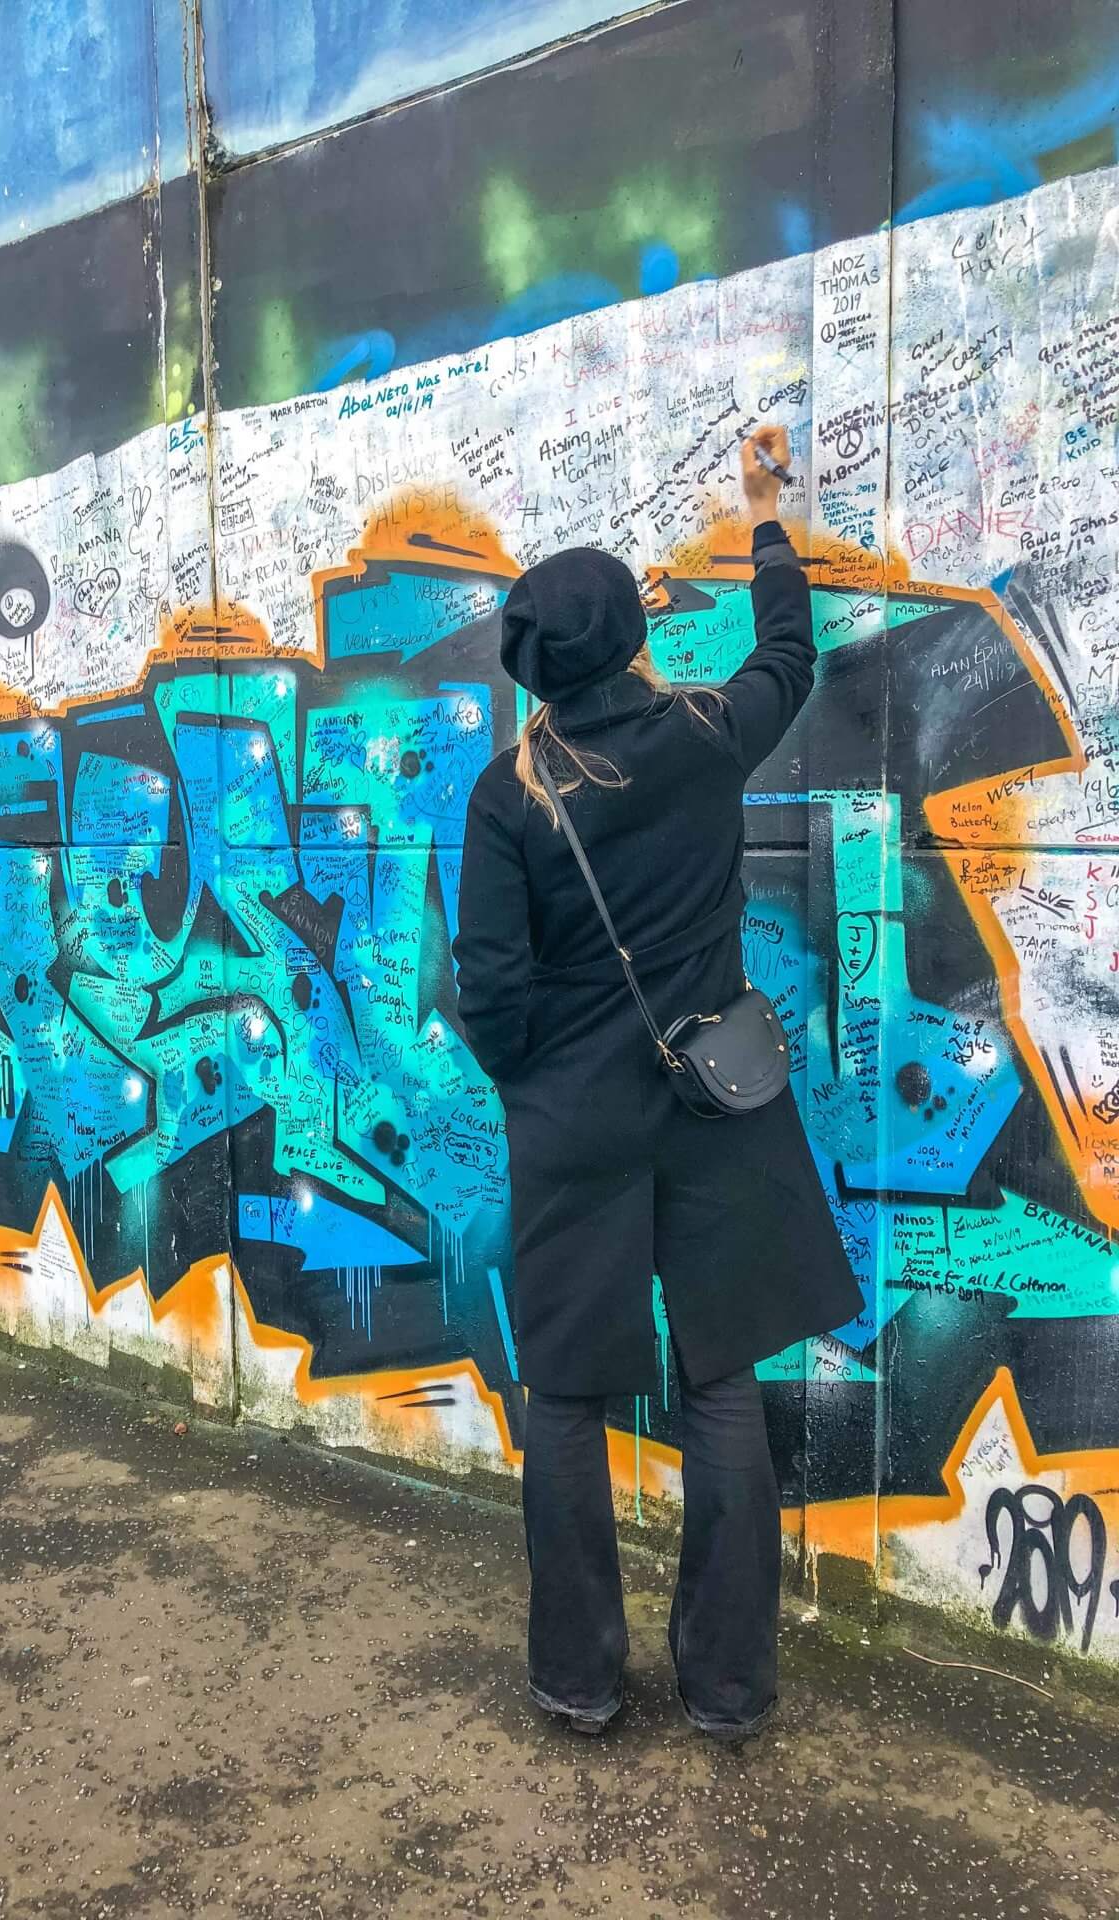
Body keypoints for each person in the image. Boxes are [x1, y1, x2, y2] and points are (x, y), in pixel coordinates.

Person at [452, 426, 863, 1740]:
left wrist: (541, 1084)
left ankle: (578, 1681)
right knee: (724, 1383)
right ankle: (729, 1690)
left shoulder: (506, 798)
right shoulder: (700, 735)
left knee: (567, 1395)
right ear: (634, 636)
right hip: (714, 1105)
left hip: (575, 1125)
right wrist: (763, 518)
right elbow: (788, 659)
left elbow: (491, 996)